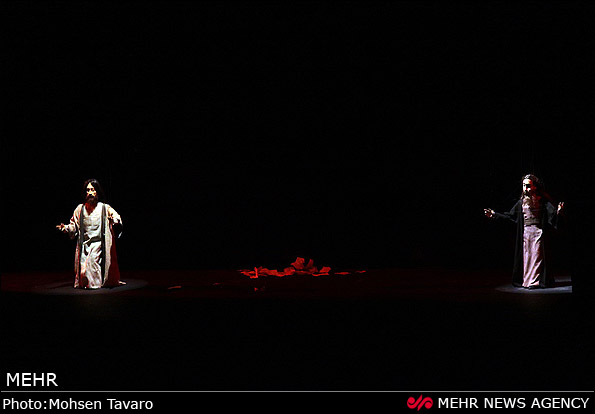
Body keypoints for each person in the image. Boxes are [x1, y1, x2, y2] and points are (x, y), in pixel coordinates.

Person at [484, 174, 564, 289]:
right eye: (524, 186)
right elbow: (510, 216)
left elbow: (552, 215)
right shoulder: (521, 203)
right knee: (527, 257)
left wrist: (558, 212)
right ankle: (527, 281)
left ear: (535, 187)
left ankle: (535, 282)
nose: (526, 188)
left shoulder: (542, 202)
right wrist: (494, 214)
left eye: (528, 186)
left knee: (536, 257)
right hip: (526, 233)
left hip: (538, 232)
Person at [56, 179, 123, 289]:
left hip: (98, 244)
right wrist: (66, 228)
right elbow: (74, 226)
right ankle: (87, 286)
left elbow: (116, 217)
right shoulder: (80, 209)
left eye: (92, 189)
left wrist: (114, 220)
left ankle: (95, 286)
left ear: (97, 192)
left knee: (92, 264)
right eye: (88, 190)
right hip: (84, 245)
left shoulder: (104, 208)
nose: (90, 192)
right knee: (83, 269)